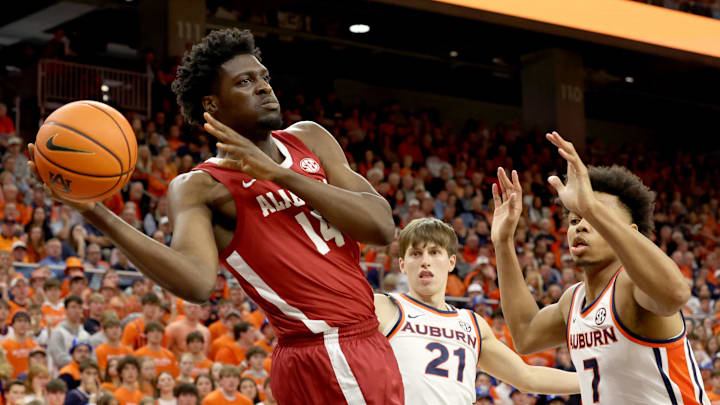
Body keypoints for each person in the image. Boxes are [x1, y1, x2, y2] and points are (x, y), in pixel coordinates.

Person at [29, 27, 402, 404]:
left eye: (263, 77)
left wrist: (279, 175)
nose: (263, 87)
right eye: (244, 82)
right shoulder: (201, 186)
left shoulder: (310, 138)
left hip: (364, 341)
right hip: (325, 350)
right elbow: (196, 283)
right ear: (211, 104)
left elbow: (381, 226)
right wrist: (96, 213)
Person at [492, 131, 708, 405]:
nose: (581, 224)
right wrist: (502, 242)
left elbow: (675, 294)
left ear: (628, 232)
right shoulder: (573, 299)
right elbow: (525, 335)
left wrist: (591, 205)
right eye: (574, 219)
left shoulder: (630, 286)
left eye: (595, 216)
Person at [375, 218, 579, 404]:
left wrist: (594, 379)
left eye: (435, 252)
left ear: (451, 262)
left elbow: (527, 377)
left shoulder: (473, 324)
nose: (425, 261)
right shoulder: (383, 307)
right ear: (402, 265)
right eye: (416, 254)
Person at [48, 295, 90, 371]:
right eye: (73, 307)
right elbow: (59, 359)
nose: (77, 311)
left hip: (82, 375)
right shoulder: (58, 332)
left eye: (80, 307)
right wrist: (79, 362)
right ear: (66, 310)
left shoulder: (85, 334)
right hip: (63, 375)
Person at [1, 311, 39, 378]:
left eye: (25, 321)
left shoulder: (35, 346)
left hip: (29, 384)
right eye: (19, 321)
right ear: (13, 325)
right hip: (11, 384)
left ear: (29, 325)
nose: (22, 324)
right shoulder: (4, 346)